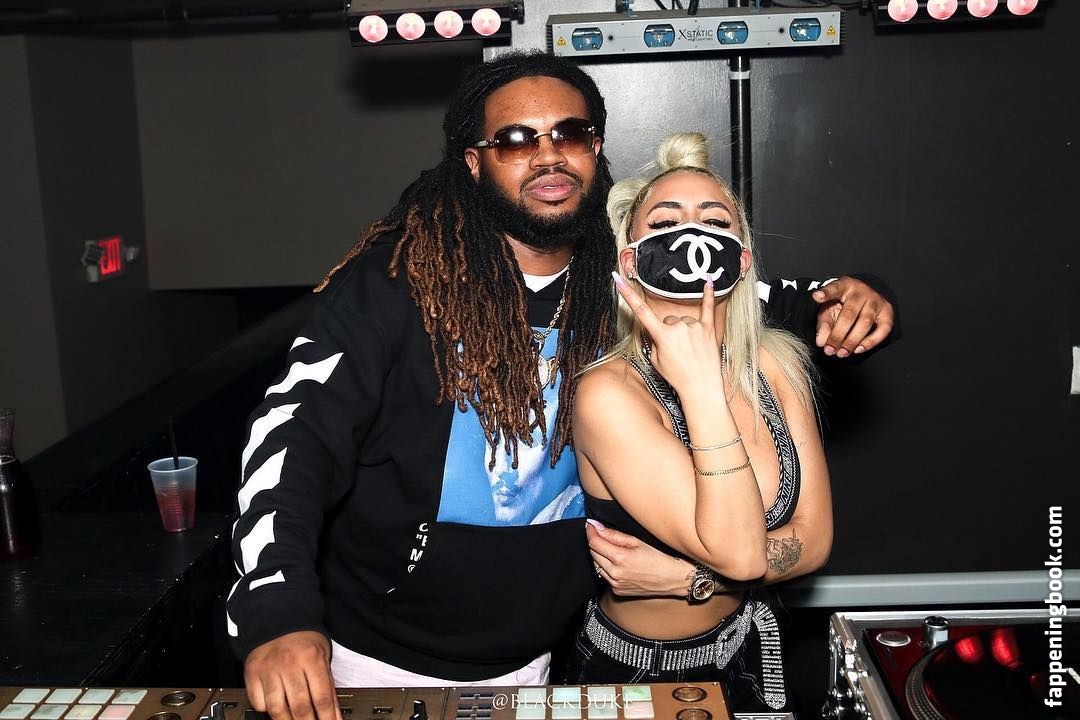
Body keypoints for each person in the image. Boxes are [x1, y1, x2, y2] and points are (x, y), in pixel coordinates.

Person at [227, 51, 892, 720]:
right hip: (375, 660)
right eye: (516, 139)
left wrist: (849, 298)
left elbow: (751, 294)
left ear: (595, 149)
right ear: (474, 162)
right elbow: (295, 434)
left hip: (542, 656)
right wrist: (277, 609)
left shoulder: (624, 278)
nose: (548, 155)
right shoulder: (399, 284)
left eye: (569, 133)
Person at [562, 132, 832, 712]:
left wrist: (688, 580)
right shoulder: (608, 393)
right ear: (630, 261)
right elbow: (743, 557)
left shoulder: (780, 365)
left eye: (715, 221)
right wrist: (701, 387)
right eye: (665, 223)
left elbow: (813, 541)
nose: (693, 236)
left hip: (750, 647)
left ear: (743, 258)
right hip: (635, 673)